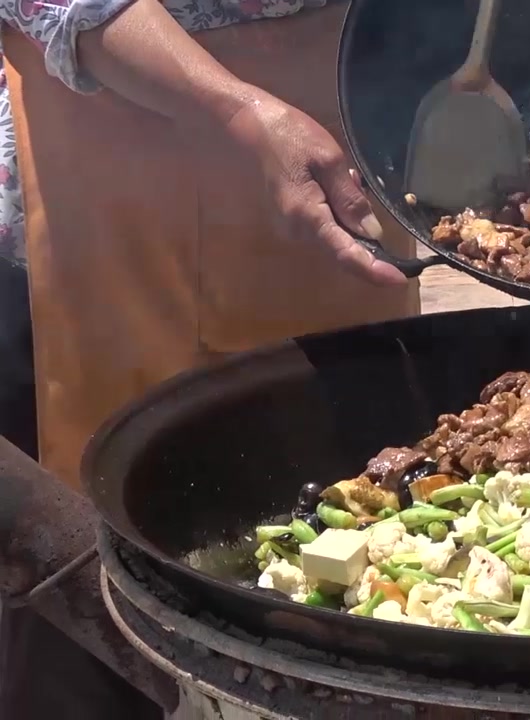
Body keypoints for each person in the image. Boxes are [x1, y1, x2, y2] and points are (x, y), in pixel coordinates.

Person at [0, 1, 420, 716]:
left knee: (355, 546)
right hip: (111, 144)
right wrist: (238, 114)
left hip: (345, 126)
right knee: (107, 574)